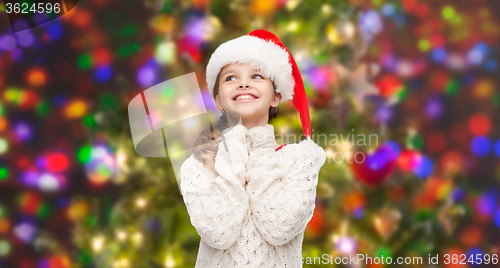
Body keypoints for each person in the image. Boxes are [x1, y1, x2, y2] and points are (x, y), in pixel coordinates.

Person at [180, 29, 326, 268]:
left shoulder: (301, 159)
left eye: (257, 76)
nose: (243, 83)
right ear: (217, 100)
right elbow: (219, 232)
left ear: (275, 96)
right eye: (230, 78)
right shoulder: (199, 165)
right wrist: (235, 141)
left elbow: (279, 227)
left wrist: (259, 146)